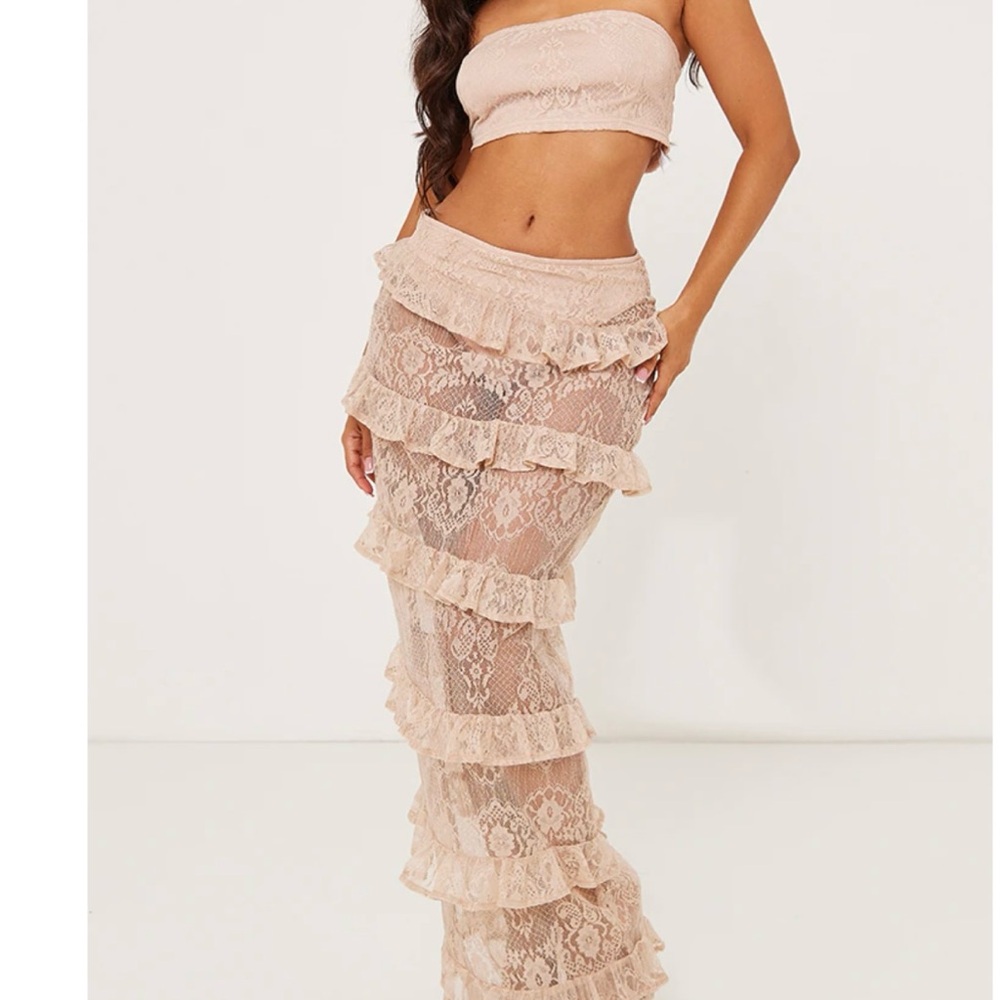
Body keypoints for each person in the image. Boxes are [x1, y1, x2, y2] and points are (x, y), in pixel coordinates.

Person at [341, 1, 799, 995]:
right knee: (446, 644)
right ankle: (503, 963)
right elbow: (444, 165)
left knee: (496, 631)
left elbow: (773, 143)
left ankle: (584, 957)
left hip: (589, 331)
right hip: (434, 309)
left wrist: (689, 313)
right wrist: (372, 370)